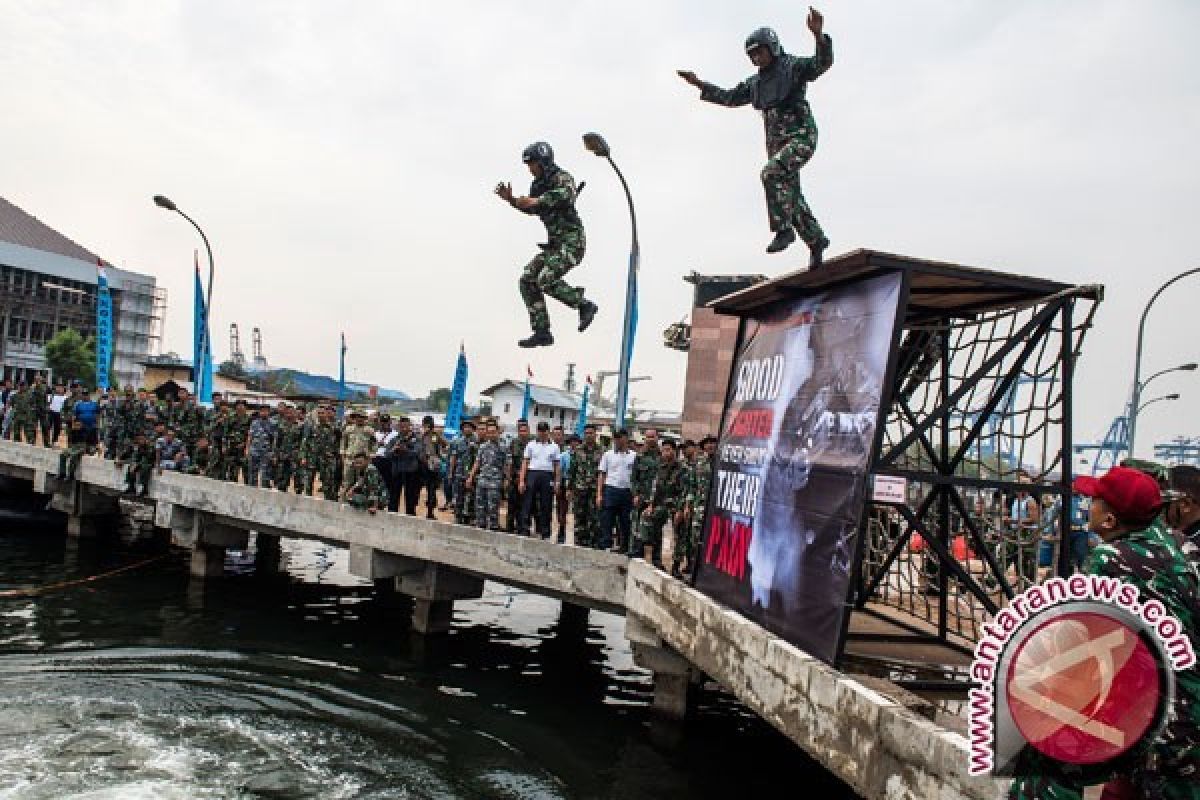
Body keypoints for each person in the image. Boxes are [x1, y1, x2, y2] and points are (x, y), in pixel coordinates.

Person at [1008, 466, 1200, 800]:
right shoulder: (1184, 548)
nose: (1088, 504)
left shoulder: (1110, 560)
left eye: (1094, 500)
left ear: (1110, 521)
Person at [677, 8, 833, 265]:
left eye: (760, 52)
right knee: (789, 197)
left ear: (772, 47)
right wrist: (700, 85)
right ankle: (816, 242)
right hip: (776, 144)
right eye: (752, 55)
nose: (757, 58)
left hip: (800, 137)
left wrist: (819, 35)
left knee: (771, 173)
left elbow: (820, 64)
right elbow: (729, 97)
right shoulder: (755, 84)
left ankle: (783, 232)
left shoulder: (793, 67)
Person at [495, 141, 599, 348]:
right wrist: (512, 200)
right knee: (527, 280)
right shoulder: (538, 186)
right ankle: (542, 331)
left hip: (572, 244)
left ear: (543, 162)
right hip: (554, 246)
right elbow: (532, 208)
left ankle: (584, 305)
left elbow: (566, 193)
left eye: (533, 164)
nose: (530, 169)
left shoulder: (561, 178)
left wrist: (537, 201)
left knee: (546, 279)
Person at [632, 439, 688, 568]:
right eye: (663, 450)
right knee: (655, 530)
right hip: (661, 504)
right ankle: (656, 560)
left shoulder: (682, 468)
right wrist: (651, 505)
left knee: (679, 536)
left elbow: (685, 491)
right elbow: (655, 487)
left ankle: (676, 566)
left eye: (668, 450)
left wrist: (680, 509)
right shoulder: (660, 467)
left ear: (675, 451)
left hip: (676, 505)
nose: (665, 453)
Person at [596, 429, 637, 552]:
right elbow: (602, 475)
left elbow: (637, 476)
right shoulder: (608, 455)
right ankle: (606, 545)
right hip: (611, 490)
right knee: (607, 519)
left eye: (620, 437)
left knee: (625, 521)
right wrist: (599, 494)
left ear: (626, 438)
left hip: (627, 492)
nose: (617, 440)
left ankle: (624, 546)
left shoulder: (634, 456)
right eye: (615, 437)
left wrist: (636, 494)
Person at [519, 421, 561, 538]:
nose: (542, 433)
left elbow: (557, 465)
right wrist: (522, 480)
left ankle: (545, 532)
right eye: (540, 431)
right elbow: (525, 463)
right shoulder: (531, 445)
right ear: (537, 431)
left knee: (546, 504)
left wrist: (557, 482)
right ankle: (525, 529)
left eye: (544, 431)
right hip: (532, 474)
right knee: (528, 502)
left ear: (548, 431)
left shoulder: (554, 446)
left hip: (547, 475)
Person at [468, 419, 509, 531]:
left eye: (493, 432)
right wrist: (471, 477)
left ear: (497, 432)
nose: (491, 434)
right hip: (482, 480)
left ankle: (493, 528)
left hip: (495, 482)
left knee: (493, 507)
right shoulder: (483, 446)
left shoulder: (503, 447)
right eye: (489, 432)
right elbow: (477, 462)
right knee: (480, 506)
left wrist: (507, 480)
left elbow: (507, 465)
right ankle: (481, 526)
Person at [567, 425, 603, 548]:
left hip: (594, 490)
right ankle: (579, 542)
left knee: (594, 518)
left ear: (595, 434)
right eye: (586, 433)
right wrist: (569, 489)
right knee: (579, 516)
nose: (589, 435)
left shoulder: (602, 451)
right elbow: (572, 471)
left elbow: (603, 473)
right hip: (579, 489)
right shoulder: (577, 450)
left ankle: (593, 543)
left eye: (591, 433)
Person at [389, 416, 422, 515]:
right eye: (401, 426)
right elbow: (388, 454)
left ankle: (410, 514)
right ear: (399, 426)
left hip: (410, 470)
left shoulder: (416, 439)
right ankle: (392, 514)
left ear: (409, 426)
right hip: (397, 470)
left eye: (405, 426)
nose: (403, 428)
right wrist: (394, 450)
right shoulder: (395, 439)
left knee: (410, 496)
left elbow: (417, 452)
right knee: (394, 495)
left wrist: (405, 450)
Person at [418, 416, 447, 520]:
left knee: (431, 490)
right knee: (425, 489)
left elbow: (443, 444)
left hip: (431, 467)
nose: (426, 426)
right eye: (425, 424)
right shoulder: (420, 435)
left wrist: (436, 434)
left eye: (427, 425)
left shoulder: (433, 435)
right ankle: (427, 510)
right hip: (422, 466)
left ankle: (430, 511)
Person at [506, 419, 532, 531]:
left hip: (528, 479)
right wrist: (509, 477)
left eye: (524, 431)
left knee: (526, 505)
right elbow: (510, 461)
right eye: (520, 431)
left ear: (528, 431)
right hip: (514, 479)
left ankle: (523, 527)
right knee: (512, 504)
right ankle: (510, 527)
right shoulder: (514, 442)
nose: (522, 433)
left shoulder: (533, 444)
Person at [246, 405, 276, 488]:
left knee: (265, 474)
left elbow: (275, 439)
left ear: (269, 412)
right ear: (259, 412)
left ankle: (264, 491)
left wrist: (273, 452)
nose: (264, 413)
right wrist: (247, 449)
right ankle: (252, 490)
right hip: (254, 450)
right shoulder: (254, 422)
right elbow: (250, 436)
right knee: (252, 473)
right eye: (262, 411)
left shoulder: (273, 423)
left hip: (266, 452)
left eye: (266, 411)